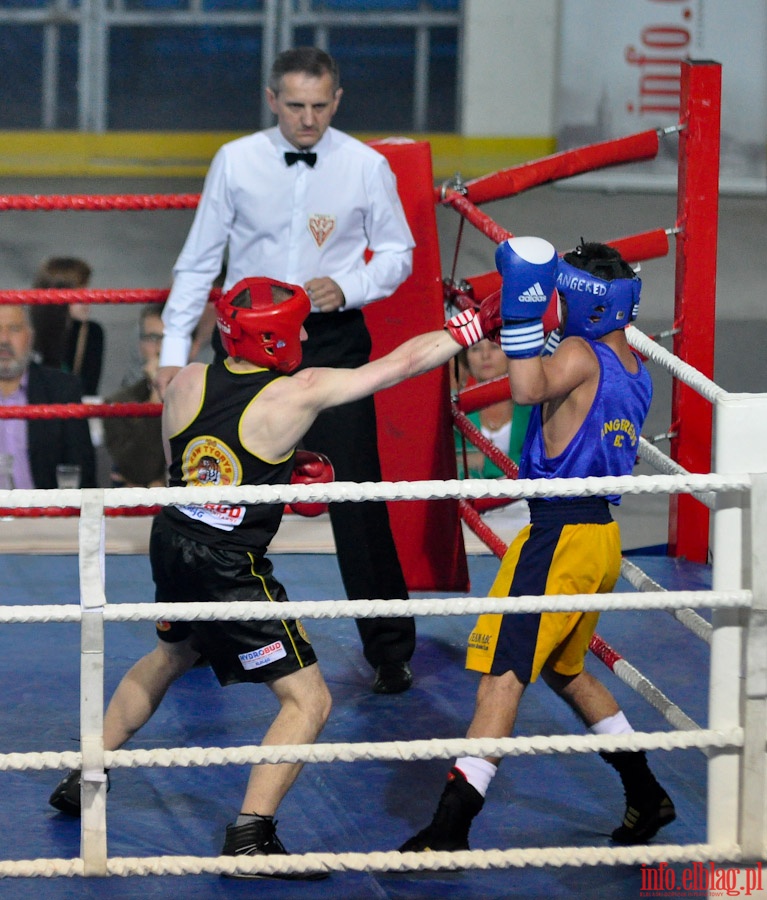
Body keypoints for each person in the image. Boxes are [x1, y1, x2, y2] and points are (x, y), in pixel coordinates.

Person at [48, 274, 502, 876]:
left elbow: (177, 471)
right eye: (298, 327)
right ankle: (251, 837)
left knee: (171, 656)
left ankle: (85, 774)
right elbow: (399, 365)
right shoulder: (298, 394)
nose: (308, 333)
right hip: (228, 566)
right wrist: (466, 330)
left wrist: (278, 474)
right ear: (274, 342)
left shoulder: (187, 380)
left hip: (173, 540)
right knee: (308, 699)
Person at [400, 237, 676, 853]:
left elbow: (526, 390)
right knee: (567, 670)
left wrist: (522, 310)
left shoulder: (579, 350)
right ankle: (645, 792)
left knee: (502, 677)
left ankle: (451, 827)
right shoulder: (633, 366)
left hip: (559, 539)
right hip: (601, 539)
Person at [155, 47, 418, 695]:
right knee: (207, 494)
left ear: (338, 99)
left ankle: (388, 649)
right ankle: (184, 637)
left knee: (359, 496)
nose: (307, 119)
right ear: (272, 100)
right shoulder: (236, 160)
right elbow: (198, 261)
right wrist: (170, 355)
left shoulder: (364, 165)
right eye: (295, 106)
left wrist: (348, 285)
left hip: (329, 338)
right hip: (245, 346)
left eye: (319, 106)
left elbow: (399, 254)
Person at [0, 304, 96, 489]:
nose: (3, 339)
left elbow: (82, 473)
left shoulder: (62, 390)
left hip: (46, 515)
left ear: (30, 336)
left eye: (14, 329)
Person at [103, 304, 166, 488]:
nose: (160, 348)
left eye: (170, 338)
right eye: (152, 338)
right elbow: (140, 471)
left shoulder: (209, 395)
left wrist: (165, 483)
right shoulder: (118, 404)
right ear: (140, 346)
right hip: (142, 513)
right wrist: (156, 396)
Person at [30, 256, 105, 396]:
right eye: (79, 291)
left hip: (72, 409)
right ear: (57, 294)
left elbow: (88, 389)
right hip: (36, 409)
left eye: (87, 289)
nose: (89, 297)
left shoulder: (92, 332)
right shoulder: (30, 330)